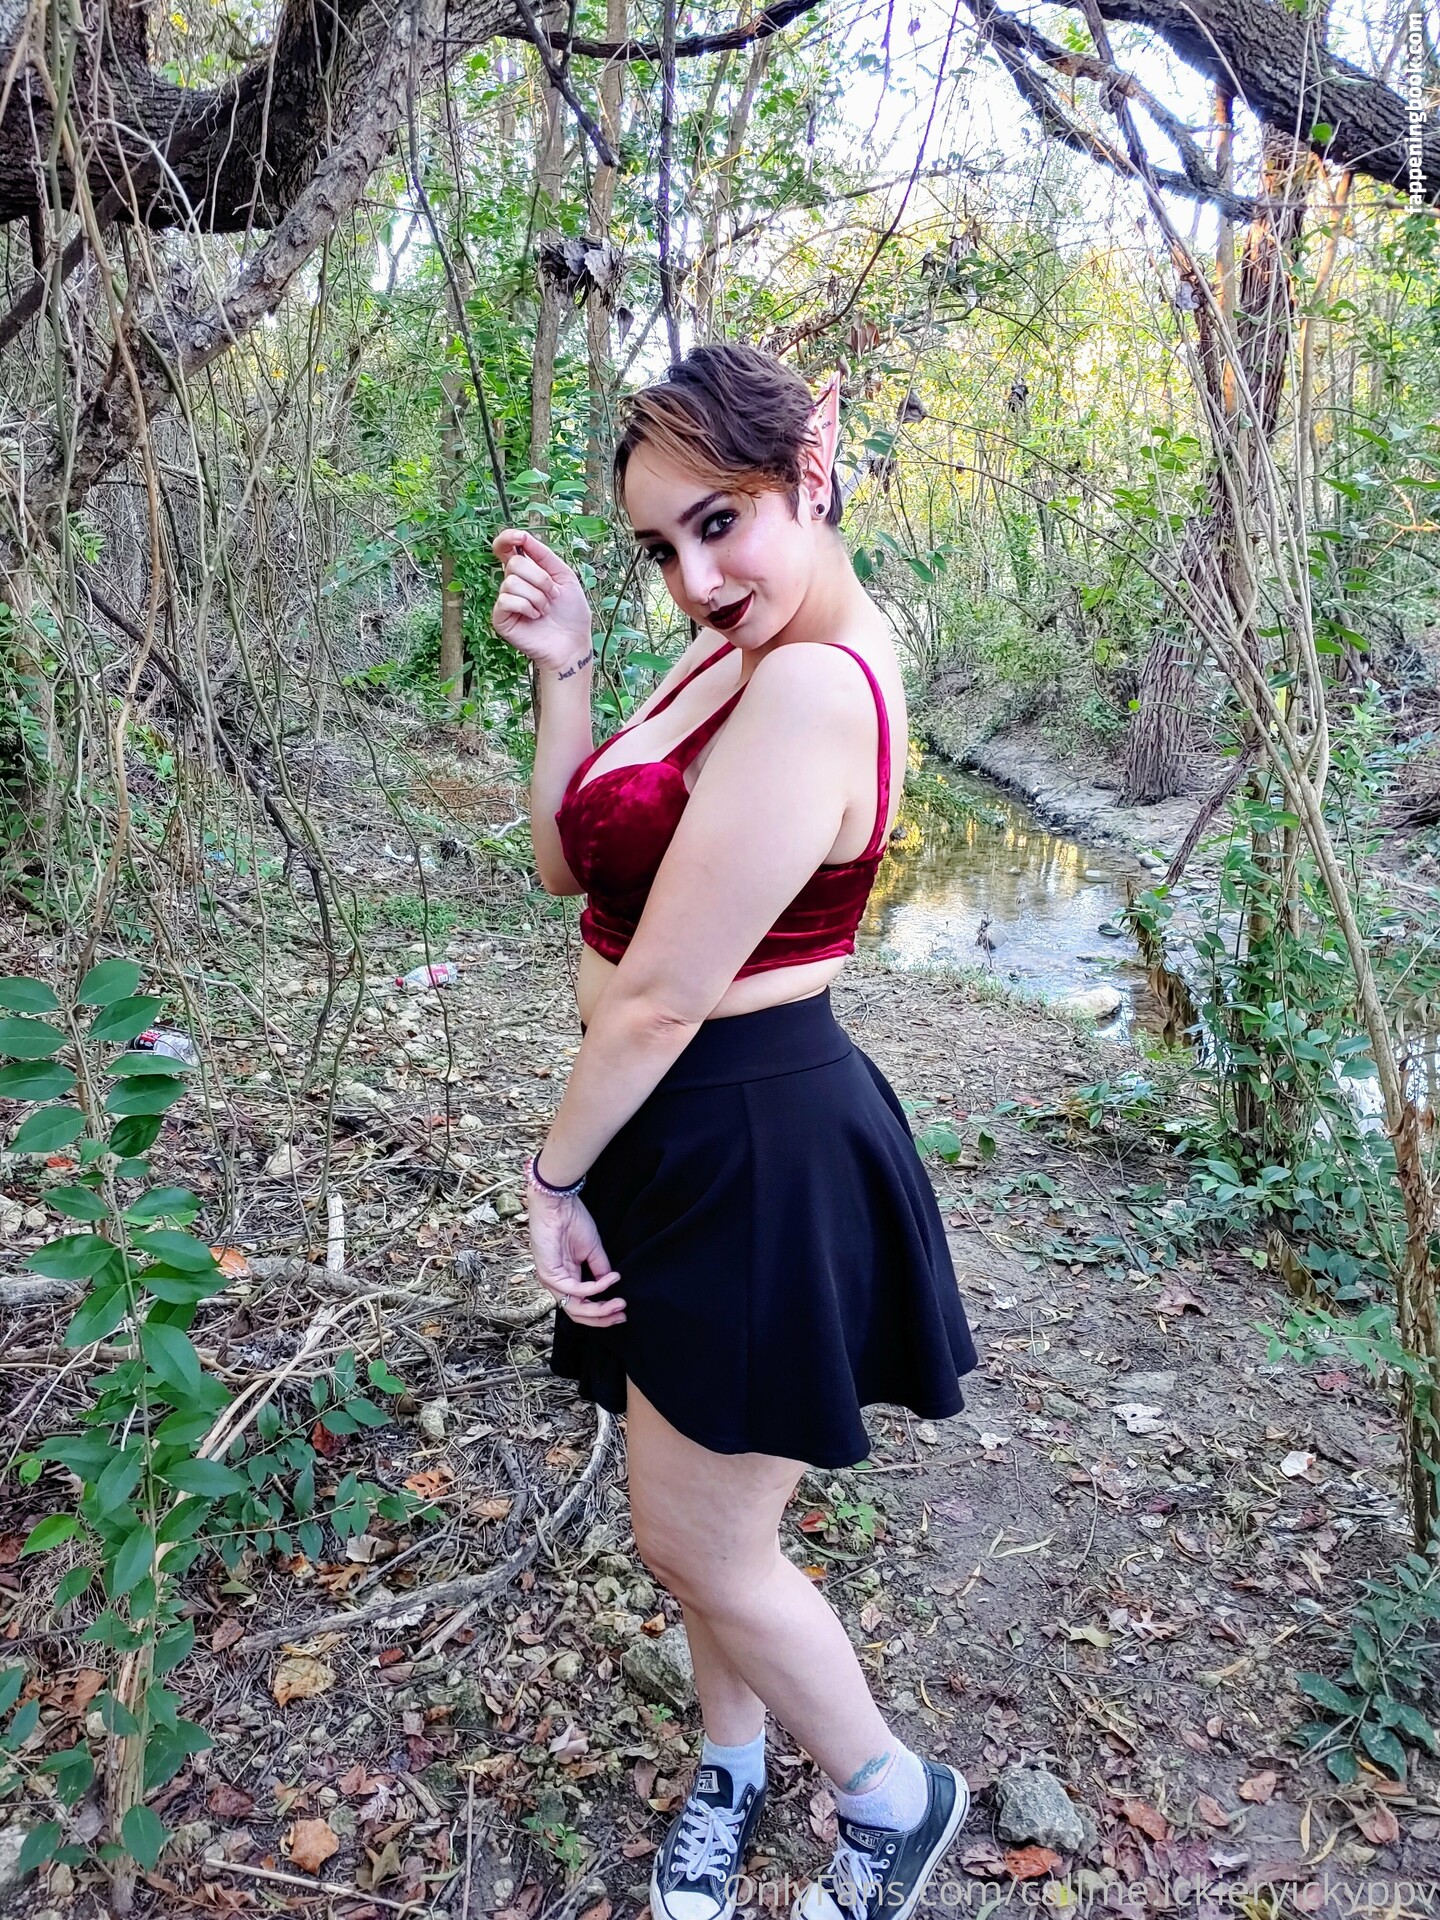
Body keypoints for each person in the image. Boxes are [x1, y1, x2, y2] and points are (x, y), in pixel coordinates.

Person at [489, 343, 980, 1920]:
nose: (695, 580)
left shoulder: (818, 686)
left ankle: (892, 1799)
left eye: (722, 522)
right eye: (661, 548)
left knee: (701, 1542)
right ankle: (732, 1761)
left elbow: (660, 996)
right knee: (697, 1520)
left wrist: (551, 1176)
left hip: (747, 1143)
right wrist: (570, 667)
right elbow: (573, 866)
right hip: (675, 1133)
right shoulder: (735, 648)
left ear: (810, 474)